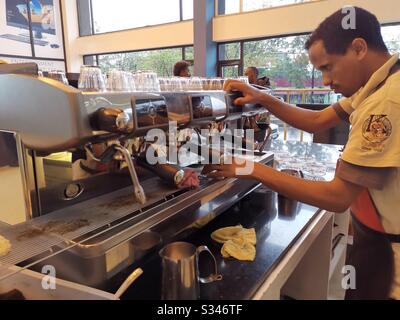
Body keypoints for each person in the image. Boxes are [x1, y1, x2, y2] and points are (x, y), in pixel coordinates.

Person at [203, 6, 400, 300]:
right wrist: (263, 98)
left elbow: (337, 196)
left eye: (327, 67)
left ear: (358, 48)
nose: (324, 81)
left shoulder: (387, 101)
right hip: (374, 235)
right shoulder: (376, 83)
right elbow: (316, 120)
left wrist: (251, 168)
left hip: (392, 252)